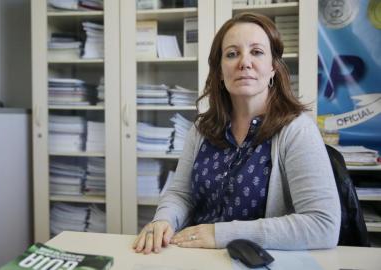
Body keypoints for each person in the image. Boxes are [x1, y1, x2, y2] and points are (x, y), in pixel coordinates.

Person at [133, 12, 341, 254]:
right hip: (192, 256)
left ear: (273, 67)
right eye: (232, 54)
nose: (244, 62)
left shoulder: (297, 130)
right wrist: (164, 220)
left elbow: (323, 225)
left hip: (256, 261)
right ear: (220, 72)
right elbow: (181, 193)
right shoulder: (202, 128)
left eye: (257, 52)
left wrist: (219, 234)